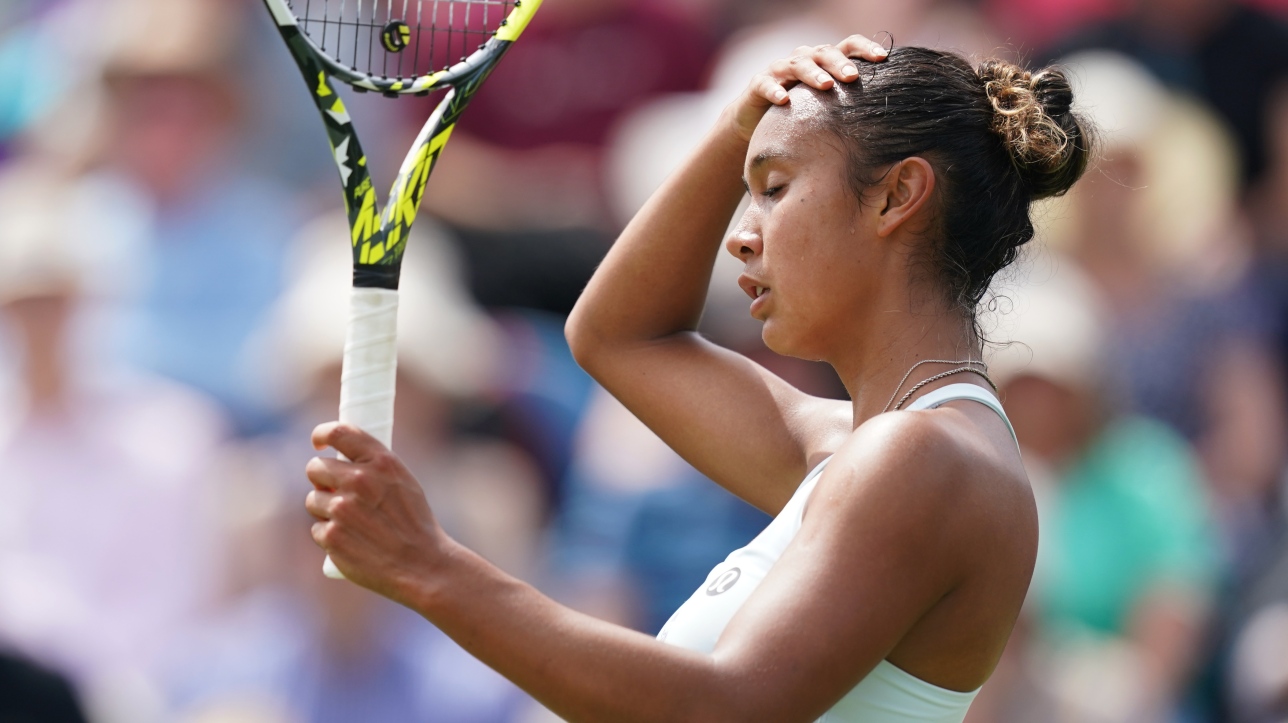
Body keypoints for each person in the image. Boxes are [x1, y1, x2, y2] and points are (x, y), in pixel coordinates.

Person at [303, 34, 1092, 721]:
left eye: (775, 189)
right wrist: (736, 131)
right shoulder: (857, 450)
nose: (740, 238)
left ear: (897, 195)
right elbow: (617, 337)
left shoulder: (923, 459)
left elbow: (722, 708)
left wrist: (431, 567)